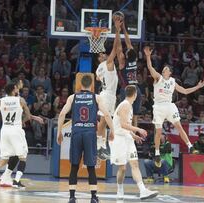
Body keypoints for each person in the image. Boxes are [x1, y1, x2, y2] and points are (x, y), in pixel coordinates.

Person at [144, 46, 204, 166]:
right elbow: (150, 67)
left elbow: (185, 91)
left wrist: (198, 87)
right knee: (158, 131)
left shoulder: (173, 81)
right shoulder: (158, 78)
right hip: (158, 106)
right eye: (164, 68)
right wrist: (148, 56)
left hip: (169, 106)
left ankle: (191, 147)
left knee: (179, 126)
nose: (164, 69)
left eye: (166, 68)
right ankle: (157, 154)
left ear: (170, 72)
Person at [56, 74, 114, 203]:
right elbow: (107, 114)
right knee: (91, 167)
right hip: (89, 134)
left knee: (74, 166)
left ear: (79, 84)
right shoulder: (96, 97)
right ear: (92, 85)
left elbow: (61, 114)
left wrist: (59, 132)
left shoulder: (73, 97)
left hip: (76, 133)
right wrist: (112, 130)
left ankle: (72, 197)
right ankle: (93, 197)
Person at [0, 81, 44, 188]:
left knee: (5, 158)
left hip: (5, 131)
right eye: (17, 88)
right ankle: (17, 181)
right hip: (16, 130)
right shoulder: (21, 100)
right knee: (23, 156)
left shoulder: (0, 101)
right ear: (14, 89)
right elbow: (27, 116)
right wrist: (24, 120)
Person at [110, 85, 158, 200]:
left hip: (127, 138)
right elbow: (122, 125)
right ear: (135, 95)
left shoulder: (129, 106)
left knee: (135, 164)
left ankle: (142, 190)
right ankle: (120, 188)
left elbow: (126, 127)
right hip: (119, 139)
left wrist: (134, 135)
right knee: (122, 168)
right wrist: (138, 129)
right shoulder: (125, 105)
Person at [95, 19, 121, 160]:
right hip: (107, 95)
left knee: (103, 122)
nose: (105, 55)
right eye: (102, 54)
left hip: (107, 94)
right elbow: (116, 49)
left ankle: (101, 146)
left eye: (105, 53)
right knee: (104, 121)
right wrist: (117, 31)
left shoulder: (99, 68)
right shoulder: (107, 63)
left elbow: (97, 78)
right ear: (100, 57)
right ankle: (99, 147)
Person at [117, 19, 142, 126]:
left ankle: (126, 134)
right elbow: (129, 43)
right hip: (137, 89)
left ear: (127, 55)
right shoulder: (134, 60)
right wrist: (124, 29)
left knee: (125, 114)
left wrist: (118, 31)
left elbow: (118, 47)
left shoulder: (122, 62)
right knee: (135, 116)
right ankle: (134, 136)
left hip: (127, 89)